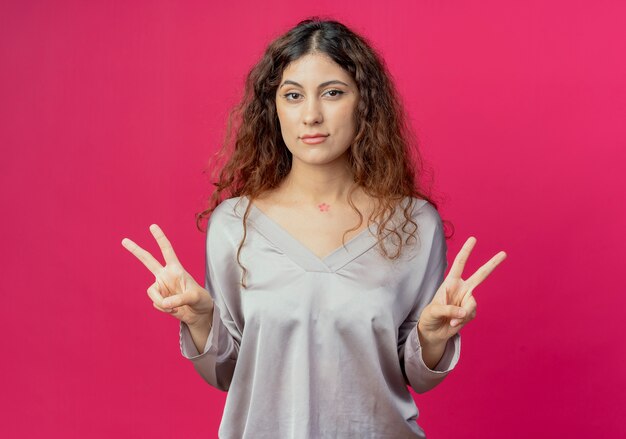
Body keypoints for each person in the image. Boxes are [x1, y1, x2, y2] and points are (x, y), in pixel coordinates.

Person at [122, 17, 507, 439]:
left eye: (333, 93)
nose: (311, 115)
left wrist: (432, 336)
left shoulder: (413, 224)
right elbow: (228, 373)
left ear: (364, 103)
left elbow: (418, 374)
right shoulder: (235, 225)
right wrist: (200, 319)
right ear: (274, 108)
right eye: (292, 95)